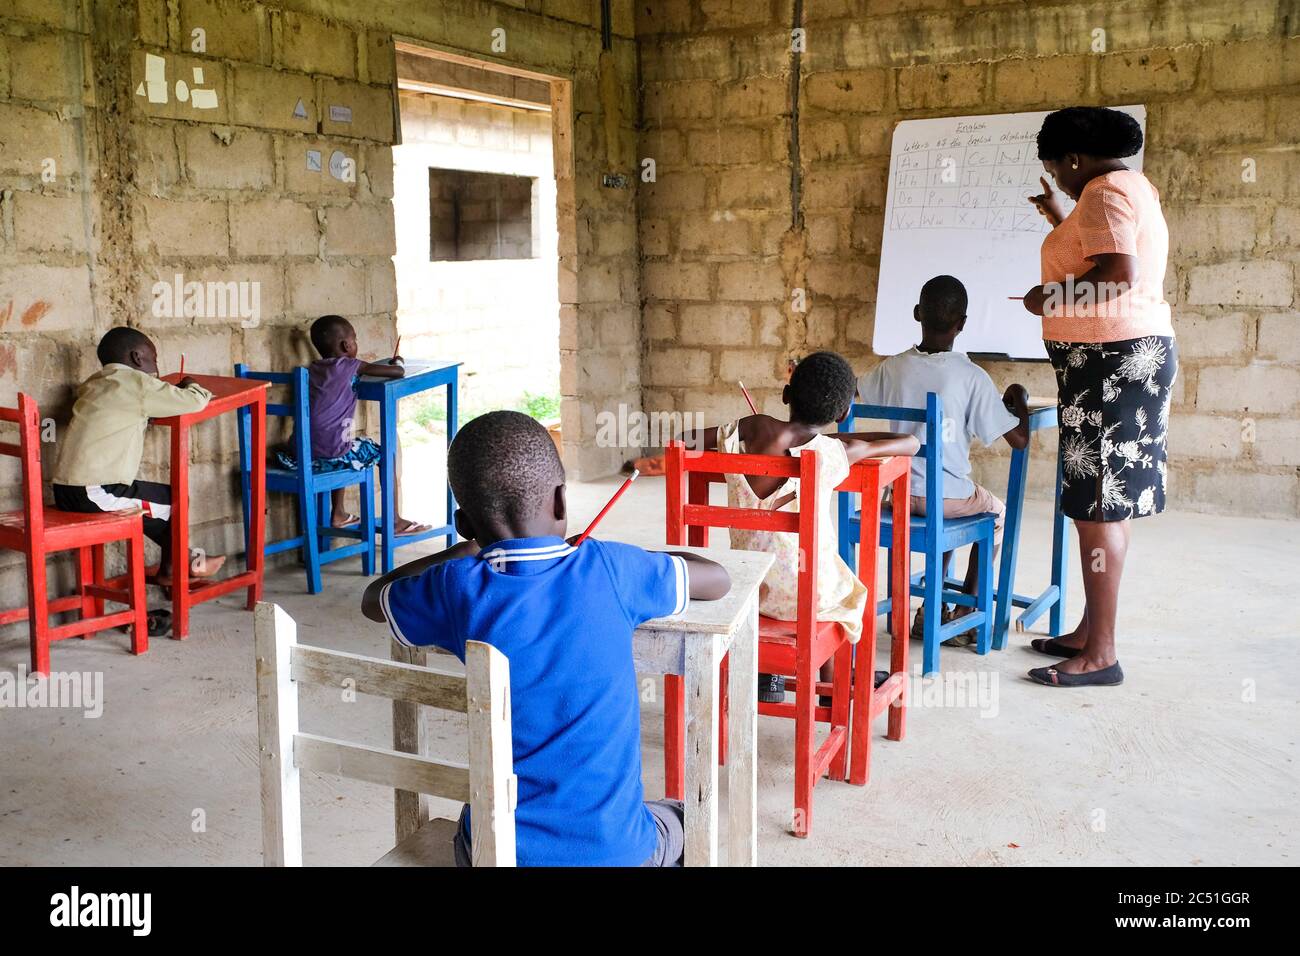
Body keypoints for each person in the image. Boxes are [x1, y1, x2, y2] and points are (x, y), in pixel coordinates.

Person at [361, 410, 731, 866]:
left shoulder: (454, 587)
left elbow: (374, 599)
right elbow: (717, 579)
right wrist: (637, 555)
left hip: (492, 853)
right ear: (560, 502)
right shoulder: (612, 569)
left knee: (474, 821)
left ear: (465, 523)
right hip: (614, 852)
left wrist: (459, 554)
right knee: (681, 815)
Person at [1018, 106, 1178, 687]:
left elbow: (1117, 273)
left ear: (1074, 158)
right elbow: (1104, 252)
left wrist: (1048, 298)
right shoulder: (1129, 187)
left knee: (1099, 505)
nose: (1057, 178)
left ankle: (1101, 655)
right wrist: (1062, 217)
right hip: (1122, 360)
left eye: (1055, 168)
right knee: (1106, 501)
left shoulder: (1104, 193)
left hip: (1109, 365)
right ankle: (1092, 631)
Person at [679, 350, 919, 702]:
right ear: (843, 413)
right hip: (807, 601)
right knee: (839, 584)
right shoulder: (833, 454)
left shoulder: (752, 428)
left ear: (786, 395)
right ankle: (831, 683)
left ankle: (769, 675)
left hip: (746, 590)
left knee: (784, 566)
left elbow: (686, 438)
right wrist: (848, 441)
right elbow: (910, 443)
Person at [856, 275, 1030, 643]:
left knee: (946, 501)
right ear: (962, 324)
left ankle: (930, 609)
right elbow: (1019, 440)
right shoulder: (972, 377)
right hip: (945, 501)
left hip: (898, 495)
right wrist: (1019, 397)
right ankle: (965, 611)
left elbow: (853, 392)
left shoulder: (893, 367)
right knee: (997, 513)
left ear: (917, 313)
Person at [52, 327, 226, 592]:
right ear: (137, 357)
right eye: (153, 359)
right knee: (175, 499)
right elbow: (194, 401)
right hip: (94, 492)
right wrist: (191, 382)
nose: (156, 368)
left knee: (160, 504)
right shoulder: (137, 383)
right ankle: (175, 567)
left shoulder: (96, 383)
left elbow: (125, 408)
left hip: (66, 489)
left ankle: (185, 559)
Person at [293, 314, 430, 534]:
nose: (355, 343)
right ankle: (394, 520)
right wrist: (399, 361)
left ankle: (338, 512)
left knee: (345, 442)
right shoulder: (351, 365)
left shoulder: (314, 368)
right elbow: (398, 373)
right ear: (346, 345)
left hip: (303, 451)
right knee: (384, 453)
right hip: (333, 452)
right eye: (354, 339)